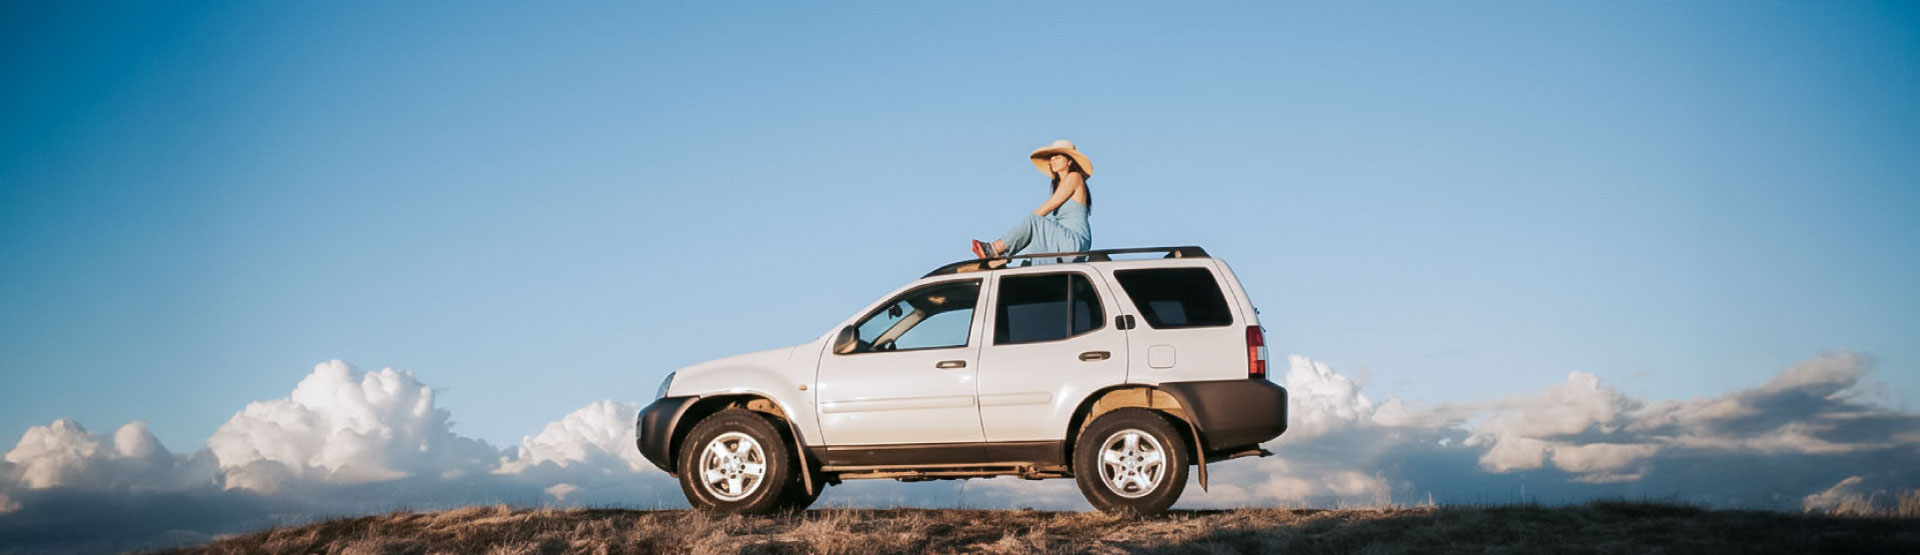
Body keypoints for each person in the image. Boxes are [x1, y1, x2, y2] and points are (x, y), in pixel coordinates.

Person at [970, 140, 1094, 263]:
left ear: (1069, 161)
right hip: (1062, 240)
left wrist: (1028, 225)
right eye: (1051, 158)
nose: (1053, 161)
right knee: (1032, 249)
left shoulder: (1074, 177)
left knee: (1034, 221)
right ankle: (1006, 262)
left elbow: (1048, 207)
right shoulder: (1058, 185)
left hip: (1074, 241)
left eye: (1057, 157)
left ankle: (995, 248)